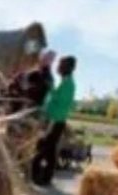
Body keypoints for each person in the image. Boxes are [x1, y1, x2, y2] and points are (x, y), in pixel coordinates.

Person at [31, 55, 77, 186]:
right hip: (54, 120)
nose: (58, 67)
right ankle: (45, 177)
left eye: (61, 65)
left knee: (42, 148)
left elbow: (60, 104)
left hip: (55, 121)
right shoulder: (65, 82)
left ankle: (37, 176)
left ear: (68, 68)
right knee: (50, 150)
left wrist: (51, 88)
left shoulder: (68, 84)